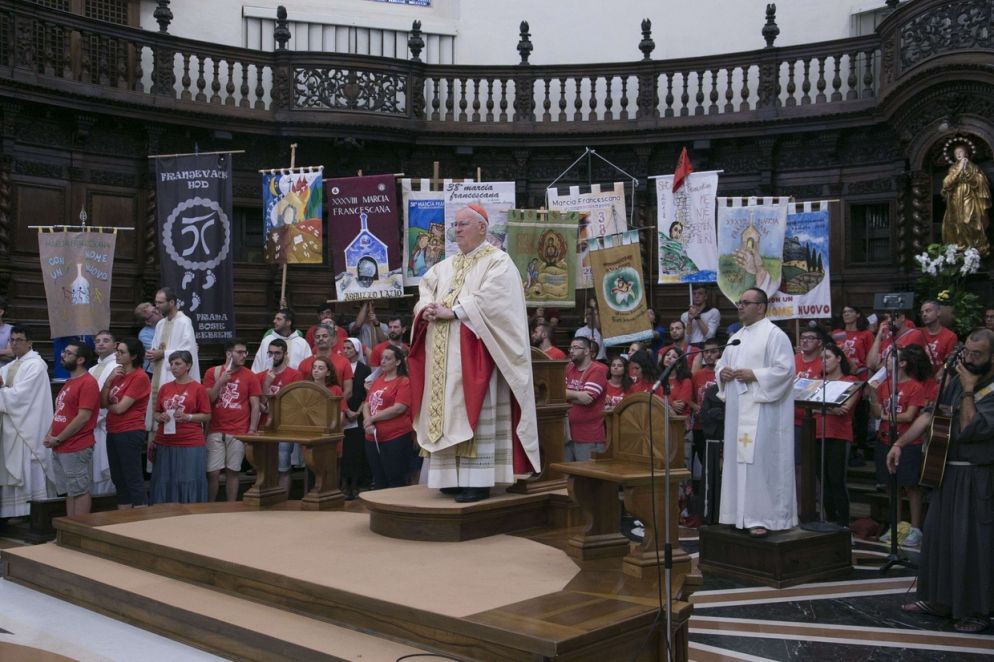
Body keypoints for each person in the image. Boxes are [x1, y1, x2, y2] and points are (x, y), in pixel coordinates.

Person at [407, 203, 540, 503]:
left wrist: (453, 311)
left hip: (475, 355)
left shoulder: (498, 262)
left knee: (474, 413)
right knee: (445, 414)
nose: (457, 230)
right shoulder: (445, 265)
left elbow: (495, 301)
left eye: (463, 224)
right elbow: (426, 287)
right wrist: (426, 308)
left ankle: (477, 482)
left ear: (482, 227)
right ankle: (451, 479)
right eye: (455, 225)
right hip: (443, 358)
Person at [889, 328, 994, 633]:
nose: (970, 359)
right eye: (967, 353)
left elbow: (973, 427)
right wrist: (899, 443)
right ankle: (938, 599)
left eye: (978, 355)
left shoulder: (981, 388)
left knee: (971, 543)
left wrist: (969, 389)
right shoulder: (954, 380)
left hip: (977, 476)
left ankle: (976, 610)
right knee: (939, 537)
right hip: (946, 471)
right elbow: (929, 415)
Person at [716, 288, 796, 537]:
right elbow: (720, 364)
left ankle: (763, 517)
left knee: (760, 463)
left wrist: (756, 374)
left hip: (764, 411)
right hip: (738, 412)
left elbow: (785, 371)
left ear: (761, 307)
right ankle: (737, 514)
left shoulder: (774, 335)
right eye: (739, 302)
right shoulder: (736, 336)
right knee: (737, 462)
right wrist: (723, 373)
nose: (740, 306)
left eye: (745, 302)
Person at [870, 344, 929, 547]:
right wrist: (872, 395)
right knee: (890, 485)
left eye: (888, 358)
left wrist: (886, 415)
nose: (884, 362)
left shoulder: (914, 387)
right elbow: (877, 413)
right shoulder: (883, 385)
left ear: (902, 363)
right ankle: (895, 526)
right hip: (884, 439)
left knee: (911, 486)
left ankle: (915, 528)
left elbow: (910, 415)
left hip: (908, 442)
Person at [0, 325, 54, 518]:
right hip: (12, 425)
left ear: (29, 343)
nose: (14, 344)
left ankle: (31, 512)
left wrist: (2, 389)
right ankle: (12, 513)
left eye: (19, 340)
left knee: (29, 465)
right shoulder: (10, 366)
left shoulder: (36, 365)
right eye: (11, 340)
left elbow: (21, 396)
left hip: (28, 426)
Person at [45, 342, 99, 516]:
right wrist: (49, 434)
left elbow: (83, 417)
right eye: (64, 352)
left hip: (76, 445)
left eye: (68, 353)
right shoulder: (70, 381)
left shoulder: (88, 382)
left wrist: (59, 437)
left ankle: (80, 531)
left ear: (81, 359)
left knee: (80, 490)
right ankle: (68, 531)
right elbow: (61, 412)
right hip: (60, 445)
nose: (63, 355)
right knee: (70, 490)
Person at [150, 350, 210, 504]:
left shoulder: (198, 388)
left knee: (187, 479)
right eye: (171, 364)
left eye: (178, 363)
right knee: (165, 478)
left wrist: (188, 417)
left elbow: (207, 415)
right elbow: (156, 412)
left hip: (189, 441)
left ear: (188, 365)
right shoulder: (165, 388)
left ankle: (189, 512)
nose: (173, 367)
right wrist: (160, 417)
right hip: (165, 440)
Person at [204, 338, 261, 502]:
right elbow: (209, 400)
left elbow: (255, 405)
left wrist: (252, 430)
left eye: (245, 352)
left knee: (233, 471)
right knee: (213, 472)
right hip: (216, 429)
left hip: (238, 431)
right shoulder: (212, 372)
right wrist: (220, 382)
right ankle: (210, 505)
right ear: (229, 354)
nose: (244, 355)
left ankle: (231, 505)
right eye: (239, 352)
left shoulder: (250, 376)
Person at [810, 344, 860, 528]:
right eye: (821, 358)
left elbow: (844, 409)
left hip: (839, 434)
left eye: (828, 357)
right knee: (822, 479)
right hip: (817, 433)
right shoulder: (817, 380)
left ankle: (843, 521)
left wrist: (820, 407)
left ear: (839, 358)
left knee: (837, 479)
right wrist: (831, 407)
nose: (824, 361)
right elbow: (809, 405)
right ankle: (829, 519)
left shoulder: (850, 380)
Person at [101, 338, 151, 509]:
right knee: (118, 477)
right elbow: (101, 403)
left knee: (132, 476)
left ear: (134, 355)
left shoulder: (139, 377)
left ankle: (140, 516)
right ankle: (123, 516)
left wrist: (109, 405)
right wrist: (108, 382)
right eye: (117, 351)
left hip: (130, 430)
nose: (117, 355)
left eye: (122, 352)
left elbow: (121, 408)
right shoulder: (117, 374)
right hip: (113, 429)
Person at [146, 287, 200, 431]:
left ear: (171, 302)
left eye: (160, 302)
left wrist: (163, 354)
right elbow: (156, 347)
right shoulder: (160, 324)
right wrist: (152, 354)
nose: (156, 306)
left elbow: (187, 351)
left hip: (172, 374)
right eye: (155, 302)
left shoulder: (184, 322)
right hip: (159, 372)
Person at [361, 345, 413, 489]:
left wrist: (372, 419)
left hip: (395, 436)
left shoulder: (403, 381)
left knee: (395, 477)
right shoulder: (378, 380)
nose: (382, 361)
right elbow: (366, 403)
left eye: (387, 358)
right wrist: (367, 421)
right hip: (372, 436)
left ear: (397, 362)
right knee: (378, 478)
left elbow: (399, 408)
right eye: (382, 358)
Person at [254, 339, 302, 494]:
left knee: (283, 468)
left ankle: (283, 504)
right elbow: (260, 404)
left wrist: (267, 388)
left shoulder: (295, 375)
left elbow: (290, 404)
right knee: (263, 468)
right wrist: (266, 387)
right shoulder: (260, 376)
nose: (273, 356)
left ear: (285, 354)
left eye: (277, 353)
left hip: (283, 428)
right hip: (264, 427)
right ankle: (265, 499)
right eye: (270, 353)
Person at [940, 142, 992, 256]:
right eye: (956, 153)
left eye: (961, 152)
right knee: (957, 221)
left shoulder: (974, 167)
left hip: (969, 195)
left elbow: (980, 181)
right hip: (955, 197)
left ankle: (975, 246)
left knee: (968, 220)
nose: (958, 154)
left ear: (966, 154)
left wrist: (968, 174)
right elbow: (946, 183)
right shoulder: (953, 168)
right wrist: (959, 170)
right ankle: (960, 246)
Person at [564, 336, 608, 461]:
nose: (571, 351)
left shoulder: (598, 370)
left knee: (587, 478)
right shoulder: (568, 368)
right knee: (566, 477)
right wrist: (578, 395)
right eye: (570, 348)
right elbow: (557, 394)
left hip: (589, 436)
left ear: (587, 351)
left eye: (576, 347)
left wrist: (567, 396)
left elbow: (587, 399)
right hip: (568, 434)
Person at [87, 329, 117, 497]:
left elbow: (113, 396)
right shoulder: (91, 369)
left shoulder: (117, 366)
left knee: (106, 467)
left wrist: (95, 417)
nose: (101, 343)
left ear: (114, 345)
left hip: (105, 424)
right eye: (98, 340)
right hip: (90, 425)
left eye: (106, 340)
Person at [341, 338, 371, 499]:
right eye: (344, 348)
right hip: (342, 414)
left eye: (349, 348)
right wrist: (345, 411)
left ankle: (356, 484)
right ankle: (344, 483)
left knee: (356, 451)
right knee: (343, 452)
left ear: (357, 350)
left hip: (357, 416)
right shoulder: (339, 366)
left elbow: (366, 394)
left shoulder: (364, 369)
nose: (346, 351)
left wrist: (357, 412)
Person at [298, 323, 353, 401]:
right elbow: (299, 390)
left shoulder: (344, 362)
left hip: (335, 408)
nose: (320, 339)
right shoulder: (304, 363)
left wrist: (334, 405)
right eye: (317, 336)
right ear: (314, 340)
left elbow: (348, 391)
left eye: (325, 336)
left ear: (332, 338)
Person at [251, 308, 311, 372]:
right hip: (270, 380)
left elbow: (308, 366)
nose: (274, 321)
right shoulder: (267, 340)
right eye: (275, 318)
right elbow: (257, 365)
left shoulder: (302, 343)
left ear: (288, 322)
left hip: (295, 380)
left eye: (278, 319)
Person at [919, 299, 958, 376]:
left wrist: (943, 369)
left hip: (937, 379)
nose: (924, 314)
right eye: (922, 312)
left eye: (928, 311)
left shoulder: (950, 336)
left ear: (938, 312)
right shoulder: (918, 333)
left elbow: (949, 361)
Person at [659, 347, 693, 417]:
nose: (669, 357)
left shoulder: (686, 381)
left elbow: (679, 407)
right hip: (660, 420)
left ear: (679, 363)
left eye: (674, 357)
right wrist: (671, 403)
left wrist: (666, 402)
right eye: (667, 355)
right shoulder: (658, 380)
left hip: (679, 423)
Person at [134, 302, 161, 375]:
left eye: (155, 309)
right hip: (153, 371)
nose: (158, 312)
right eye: (154, 313)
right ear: (148, 321)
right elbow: (157, 351)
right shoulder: (144, 334)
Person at [0, 296, 13, 366]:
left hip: (4, 373)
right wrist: (3, 352)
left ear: (1, 312)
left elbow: (12, 352)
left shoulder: (11, 330)